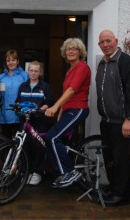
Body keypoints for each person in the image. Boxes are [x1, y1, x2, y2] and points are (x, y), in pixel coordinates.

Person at [96, 30, 130, 206]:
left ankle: (121, 196)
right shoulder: (103, 63)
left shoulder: (126, 62)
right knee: (110, 158)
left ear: (116, 41)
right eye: (102, 42)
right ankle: (113, 188)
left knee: (121, 160)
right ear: (99, 45)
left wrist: (129, 119)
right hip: (106, 121)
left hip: (121, 122)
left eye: (108, 40)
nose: (106, 44)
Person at [44, 38, 91, 188]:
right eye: (68, 49)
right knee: (54, 139)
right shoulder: (70, 70)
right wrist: (61, 111)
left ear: (80, 52)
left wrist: (55, 107)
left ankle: (69, 172)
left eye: (74, 49)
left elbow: (71, 91)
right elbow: (66, 92)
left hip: (78, 109)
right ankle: (65, 170)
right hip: (68, 110)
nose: (70, 51)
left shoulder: (82, 68)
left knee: (52, 137)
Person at [16, 61, 54, 185]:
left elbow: (49, 102)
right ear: (28, 71)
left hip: (39, 122)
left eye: (36, 71)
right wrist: (18, 107)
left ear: (40, 72)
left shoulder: (45, 86)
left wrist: (38, 110)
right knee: (25, 147)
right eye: (31, 70)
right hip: (25, 121)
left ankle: (38, 172)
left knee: (37, 147)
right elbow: (18, 101)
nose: (33, 73)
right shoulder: (23, 86)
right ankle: (28, 171)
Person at [0, 49, 29, 139]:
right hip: (5, 115)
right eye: (8, 60)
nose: (11, 63)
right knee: (6, 142)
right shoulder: (1, 77)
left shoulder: (25, 75)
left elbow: (29, 93)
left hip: (20, 115)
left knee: (19, 142)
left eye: (13, 60)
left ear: (17, 61)